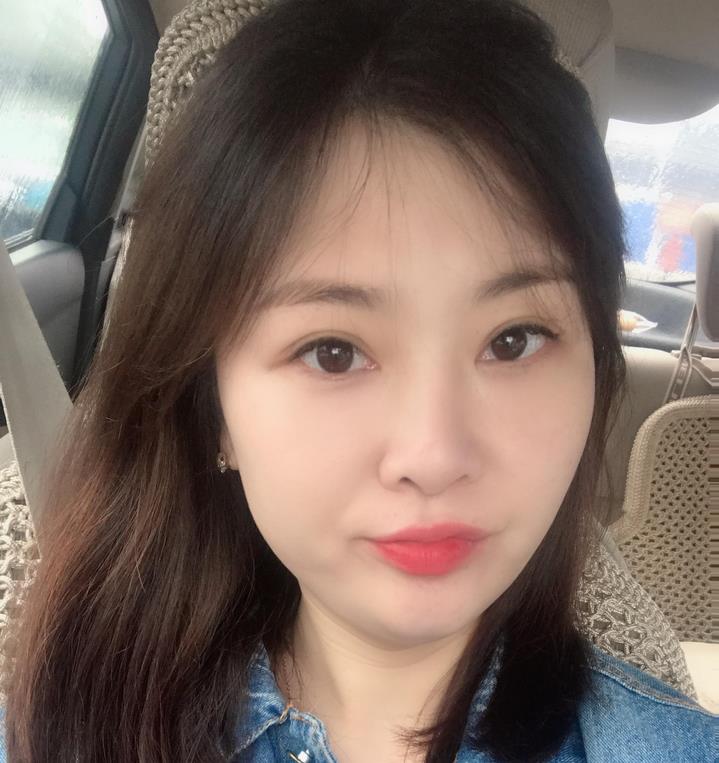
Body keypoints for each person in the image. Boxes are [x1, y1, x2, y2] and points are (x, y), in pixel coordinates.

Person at [0, 0, 715, 761]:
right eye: (333, 352)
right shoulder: (54, 732)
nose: (433, 455)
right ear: (214, 413)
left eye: (514, 341)